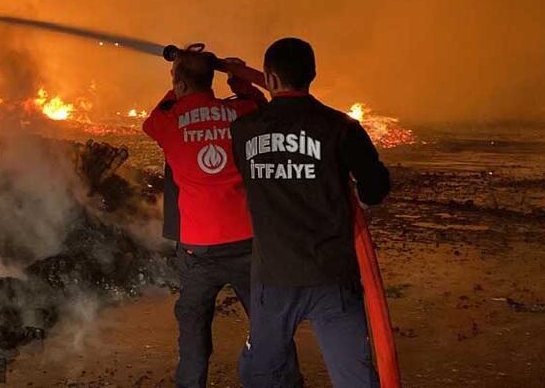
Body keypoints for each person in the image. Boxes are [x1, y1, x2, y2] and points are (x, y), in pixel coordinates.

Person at [230, 38, 391, 388]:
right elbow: (376, 188)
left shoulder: (243, 131)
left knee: (261, 376)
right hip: (331, 276)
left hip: (273, 278)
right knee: (356, 379)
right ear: (313, 74)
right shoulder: (341, 127)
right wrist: (357, 197)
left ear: (270, 79)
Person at [143, 50, 300, 388]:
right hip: (248, 245)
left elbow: (151, 120)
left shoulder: (169, 120)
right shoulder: (241, 111)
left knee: (194, 334)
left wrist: (180, 79)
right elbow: (268, 106)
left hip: (197, 251)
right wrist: (238, 79)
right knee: (269, 323)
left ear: (181, 83)